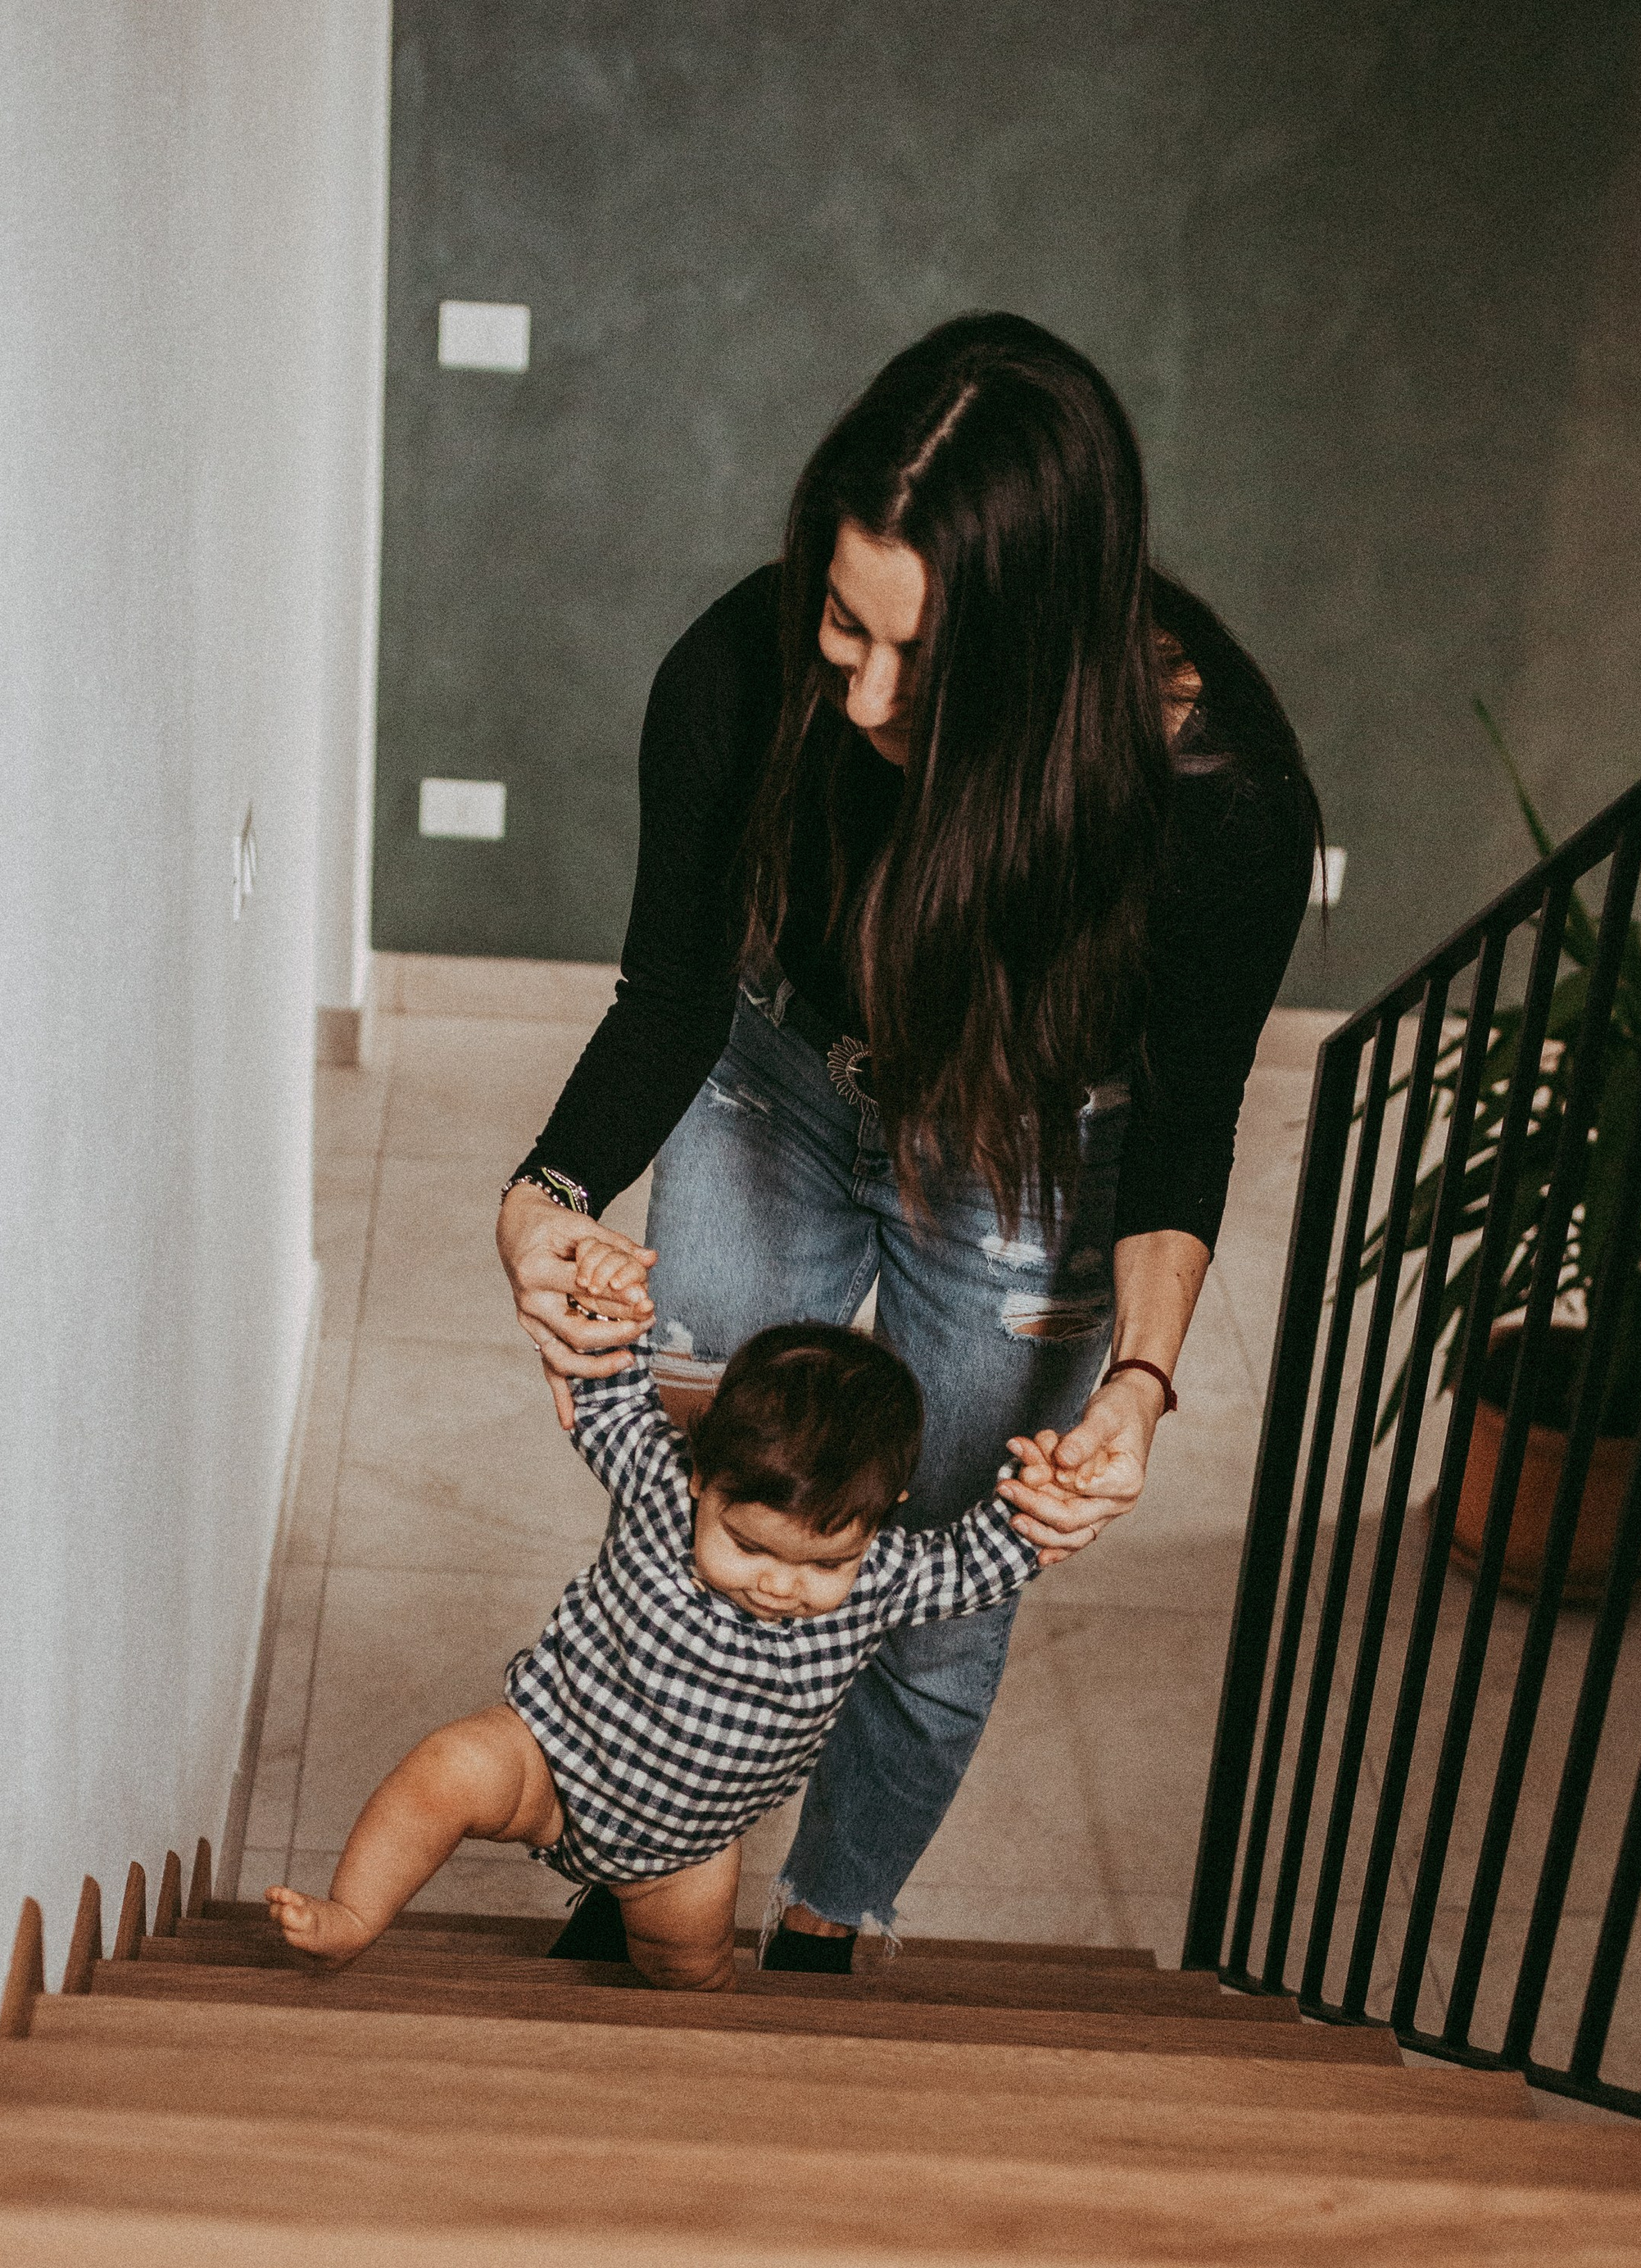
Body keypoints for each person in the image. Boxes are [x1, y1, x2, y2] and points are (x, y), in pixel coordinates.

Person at [495, 311, 1318, 1971]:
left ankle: (826, 1911)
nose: (861, 693)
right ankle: (659, 1848)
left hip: (1026, 1153)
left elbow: (1179, 1127)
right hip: (773, 1087)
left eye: (919, 664)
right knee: (701, 1504)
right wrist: (539, 1203)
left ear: (1043, 659)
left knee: (940, 1588)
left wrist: (1138, 1390)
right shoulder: (734, 674)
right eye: (838, 626)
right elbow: (664, 998)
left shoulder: (1215, 805)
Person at [265, 1297, 1086, 1992]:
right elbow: (607, 1395)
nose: (779, 1584)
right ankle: (352, 1916)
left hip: (685, 1844)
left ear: (883, 1515)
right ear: (703, 1476)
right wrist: (602, 1305)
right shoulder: (657, 1486)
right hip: (549, 1755)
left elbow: (979, 1564)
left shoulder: (883, 1576)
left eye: (822, 1561)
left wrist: (1043, 1506)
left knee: (690, 1975)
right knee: (444, 1772)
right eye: (750, 1546)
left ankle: (688, 2067)